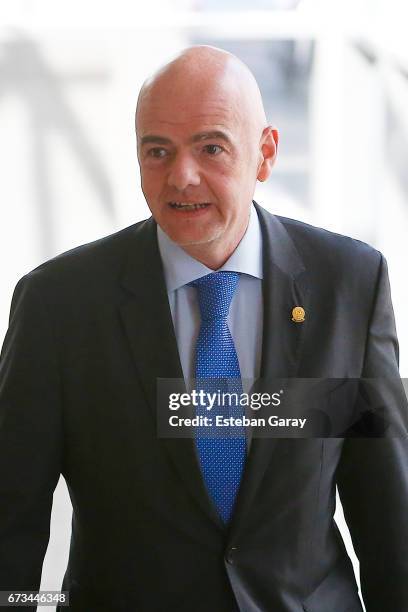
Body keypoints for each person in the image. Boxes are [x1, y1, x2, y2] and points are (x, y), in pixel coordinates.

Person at [0, 45, 407, 612]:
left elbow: (390, 520)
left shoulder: (350, 286)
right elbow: (10, 523)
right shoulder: (58, 305)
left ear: (265, 155)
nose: (181, 176)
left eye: (211, 147)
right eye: (158, 151)